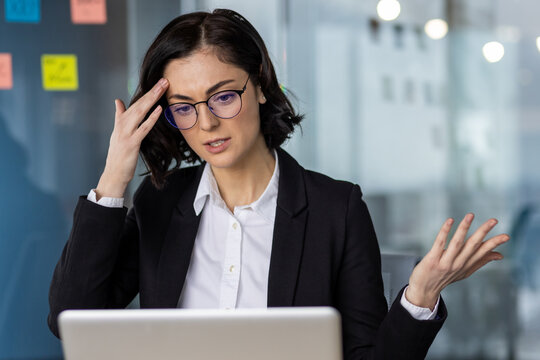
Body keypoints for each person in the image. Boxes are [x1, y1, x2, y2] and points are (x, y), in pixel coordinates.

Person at [47, 9, 509, 359]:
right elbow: (70, 318)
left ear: (262, 86)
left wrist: (419, 297)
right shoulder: (161, 201)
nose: (206, 123)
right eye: (184, 106)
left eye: (223, 96)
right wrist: (114, 178)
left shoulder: (336, 208)